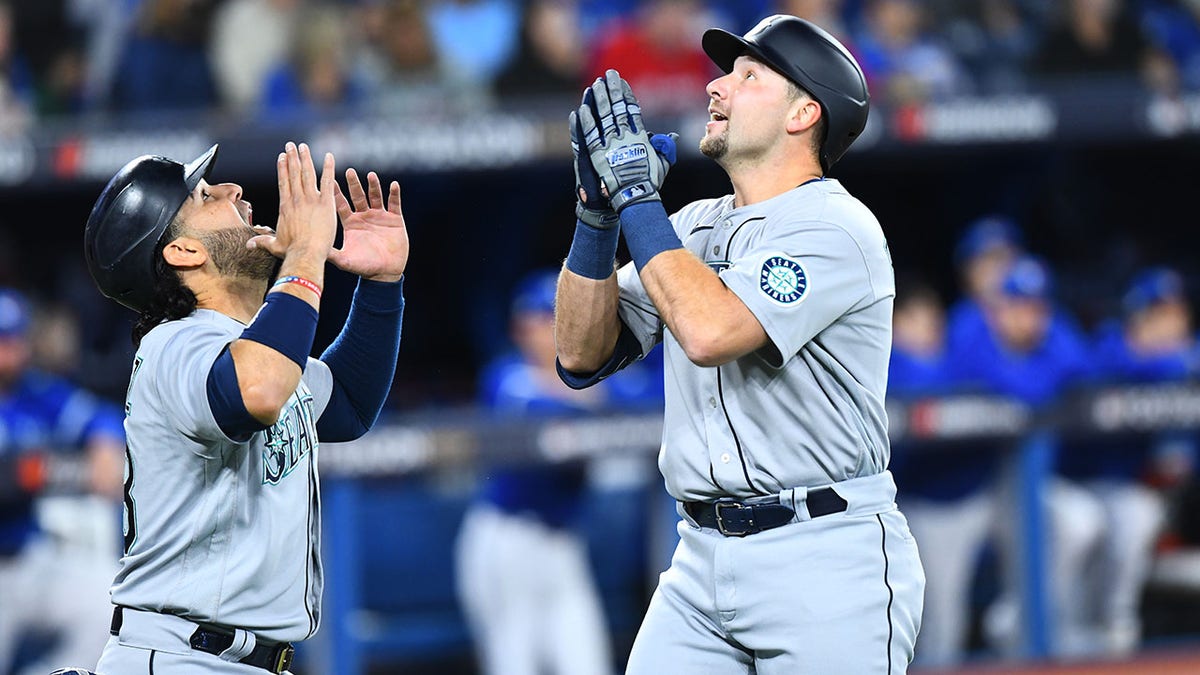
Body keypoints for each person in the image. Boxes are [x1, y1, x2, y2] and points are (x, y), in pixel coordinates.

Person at [555, 14, 924, 673]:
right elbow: (579, 355)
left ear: (803, 113)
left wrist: (637, 197)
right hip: (699, 559)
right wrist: (596, 214)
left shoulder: (837, 227)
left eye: (748, 77)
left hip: (825, 556)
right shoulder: (692, 226)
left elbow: (710, 331)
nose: (716, 88)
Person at [81, 141, 408, 673]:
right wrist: (305, 254)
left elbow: (347, 403)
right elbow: (255, 394)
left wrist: (381, 285)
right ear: (184, 252)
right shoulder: (174, 344)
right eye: (206, 195)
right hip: (182, 655)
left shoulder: (250, 347)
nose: (233, 189)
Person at [455, 269, 661, 675]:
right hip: (506, 542)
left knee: (587, 662)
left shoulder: (594, 380)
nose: (543, 330)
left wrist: (596, 393)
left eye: (551, 318)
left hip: (563, 546)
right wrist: (599, 398)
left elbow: (655, 398)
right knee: (514, 664)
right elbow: (549, 410)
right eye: (536, 320)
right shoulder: (507, 378)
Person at [0, 289, 125, 675]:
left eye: (12, 339)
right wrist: (39, 470)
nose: (7, 350)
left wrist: (104, 443)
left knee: (107, 600)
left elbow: (102, 417)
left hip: (27, 560)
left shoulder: (35, 393)